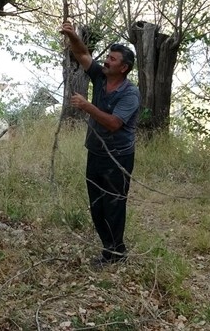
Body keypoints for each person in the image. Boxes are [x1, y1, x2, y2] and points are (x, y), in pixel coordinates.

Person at [60, 21, 140, 267]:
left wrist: (87, 106)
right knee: (97, 206)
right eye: (107, 57)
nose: (106, 61)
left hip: (117, 158)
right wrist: (73, 35)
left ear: (124, 68)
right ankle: (110, 249)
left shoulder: (130, 94)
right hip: (95, 152)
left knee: (114, 205)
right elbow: (82, 54)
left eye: (112, 59)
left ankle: (116, 253)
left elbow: (114, 124)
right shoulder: (100, 77)